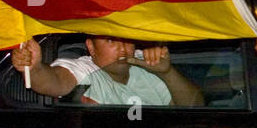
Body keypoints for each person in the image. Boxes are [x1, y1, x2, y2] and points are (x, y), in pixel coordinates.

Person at [11, 35, 204, 106]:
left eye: (127, 40)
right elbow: (55, 82)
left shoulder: (145, 65)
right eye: (111, 41)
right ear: (91, 47)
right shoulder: (86, 69)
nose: (122, 48)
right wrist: (34, 68)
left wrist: (167, 72)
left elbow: (195, 108)